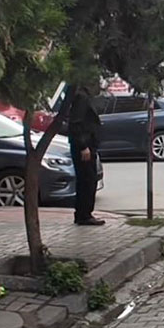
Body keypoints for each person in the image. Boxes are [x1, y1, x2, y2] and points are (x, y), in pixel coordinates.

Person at [66, 85, 104, 226]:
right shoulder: (81, 97)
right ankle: (84, 215)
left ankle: (84, 213)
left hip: (88, 145)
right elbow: (75, 124)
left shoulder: (85, 96)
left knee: (88, 180)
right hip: (84, 146)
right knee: (87, 181)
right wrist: (83, 146)